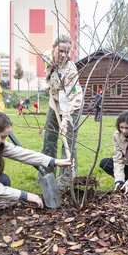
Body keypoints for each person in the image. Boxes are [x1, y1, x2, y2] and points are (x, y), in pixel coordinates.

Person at [40, 35, 83, 189]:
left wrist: (65, 119)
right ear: (53, 48)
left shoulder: (71, 70)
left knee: (68, 141)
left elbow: (69, 99)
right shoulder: (47, 56)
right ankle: (46, 174)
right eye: (60, 51)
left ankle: (66, 180)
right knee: (49, 138)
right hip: (54, 101)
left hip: (72, 104)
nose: (64, 55)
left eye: (67, 52)